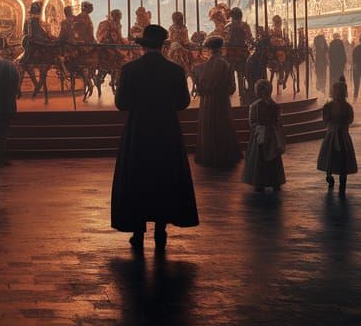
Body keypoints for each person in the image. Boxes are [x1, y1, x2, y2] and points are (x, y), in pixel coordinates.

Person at [111, 24, 199, 251]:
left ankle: (138, 230)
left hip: (138, 128)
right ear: (163, 45)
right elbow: (183, 103)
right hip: (166, 129)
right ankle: (161, 228)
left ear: (143, 47)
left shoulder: (130, 70)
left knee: (137, 174)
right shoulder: (175, 70)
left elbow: (121, 104)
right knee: (164, 174)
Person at [194, 36, 241, 169]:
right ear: (221, 48)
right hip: (221, 101)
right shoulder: (226, 65)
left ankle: (208, 155)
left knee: (208, 125)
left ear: (209, 49)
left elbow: (200, 89)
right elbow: (232, 88)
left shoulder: (201, 68)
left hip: (207, 102)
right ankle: (225, 155)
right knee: (223, 124)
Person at [243, 79, 286, 193]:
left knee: (273, 158)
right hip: (260, 136)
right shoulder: (255, 106)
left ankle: (274, 180)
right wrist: (260, 129)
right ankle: (259, 181)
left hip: (271, 135)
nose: (265, 93)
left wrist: (275, 128)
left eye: (267, 91)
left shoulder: (275, 106)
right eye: (263, 91)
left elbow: (278, 120)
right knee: (260, 159)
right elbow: (252, 122)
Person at [317, 76, 357, 195]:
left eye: (340, 92)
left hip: (343, 136)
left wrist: (341, 125)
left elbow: (350, 119)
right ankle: (329, 175)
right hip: (332, 135)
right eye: (336, 92)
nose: (337, 95)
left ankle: (343, 181)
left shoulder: (347, 107)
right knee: (330, 156)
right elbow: (325, 119)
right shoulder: (328, 106)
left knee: (343, 159)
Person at [0, 44, 21, 166]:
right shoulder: (13, 66)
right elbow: (17, 84)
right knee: (3, 132)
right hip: (7, 104)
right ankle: (1, 157)